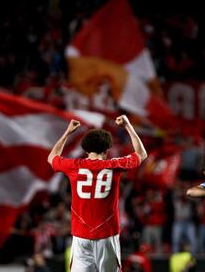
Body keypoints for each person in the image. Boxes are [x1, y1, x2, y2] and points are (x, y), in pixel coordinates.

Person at [47, 115, 147, 272]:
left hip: (81, 236)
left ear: (85, 150)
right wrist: (128, 126)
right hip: (107, 236)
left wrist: (68, 132)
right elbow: (141, 154)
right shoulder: (114, 165)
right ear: (107, 150)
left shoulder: (74, 166)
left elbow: (52, 157)